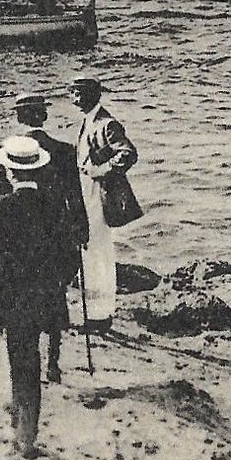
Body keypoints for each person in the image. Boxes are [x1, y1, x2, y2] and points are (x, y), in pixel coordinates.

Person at [0, 136, 77, 460]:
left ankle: (20, 435)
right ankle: (28, 433)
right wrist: (54, 284)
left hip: (10, 299)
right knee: (32, 363)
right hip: (46, 297)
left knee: (18, 361)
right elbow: (71, 255)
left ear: (8, 172)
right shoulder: (54, 206)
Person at [0, 93, 89, 382]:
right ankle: (53, 363)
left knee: (19, 296)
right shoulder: (63, 150)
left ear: (19, 117)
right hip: (54, 234)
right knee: (54, 292)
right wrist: (81, 228)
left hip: (16, 236)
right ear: (43, 116)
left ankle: (22, 361)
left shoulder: (5, 152)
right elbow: (75, 196)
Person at [70, 76, 139, 330]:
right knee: (91, 252)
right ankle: (97, 313)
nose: (74, 99)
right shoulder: (89, 121)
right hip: (88, 194)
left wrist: (102, 170)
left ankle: (100, 316)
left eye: (78, 93)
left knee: (98, 252)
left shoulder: (107, 124)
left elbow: (128, 154)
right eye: (73, 93)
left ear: (92, 95)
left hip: (99, 195)